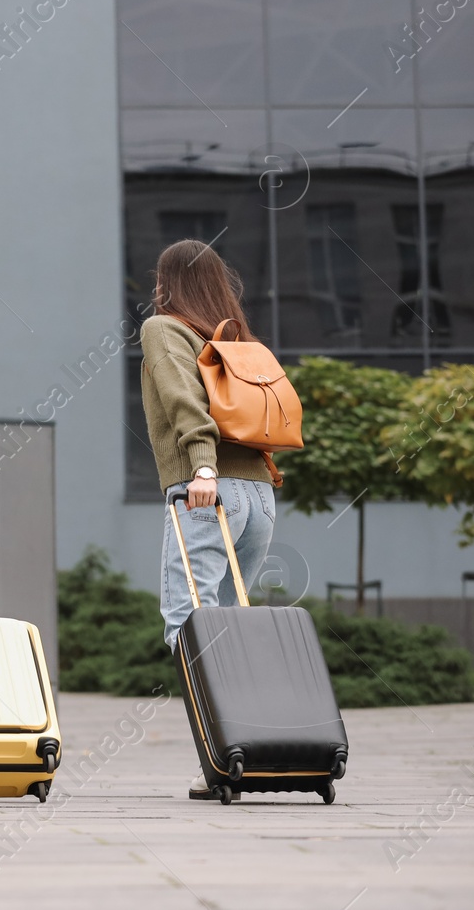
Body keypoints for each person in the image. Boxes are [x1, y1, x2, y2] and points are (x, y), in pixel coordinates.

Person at [139, 238, 277, 801]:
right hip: (260, 496)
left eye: (158, 277)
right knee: (232, 631)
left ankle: (225, 761)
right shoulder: (232, 336)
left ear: (168, 282)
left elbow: (184, 405)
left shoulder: (164, 328)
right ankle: (259, 749)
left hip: (206, 492)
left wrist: (201, 469)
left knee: (189, 631)